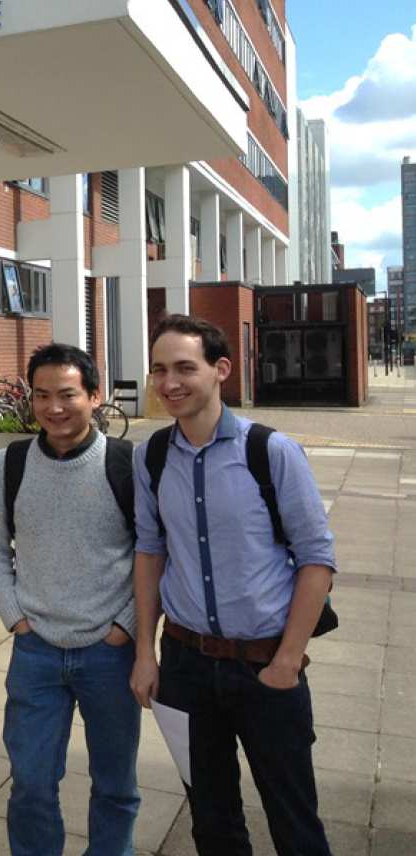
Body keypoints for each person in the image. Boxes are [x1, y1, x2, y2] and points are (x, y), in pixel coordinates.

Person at [130, 314, 336, 856]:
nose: (169, 382)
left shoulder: (271, 451)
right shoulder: (149, 457)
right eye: (159, 370)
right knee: (212, 820)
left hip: (265, 666)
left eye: (184, 368)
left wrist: (288, 660)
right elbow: (150, 553)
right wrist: (145, 654)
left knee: (294, 818)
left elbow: (317, 560)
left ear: (220, 370)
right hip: (186, 664)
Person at [0, 343, 140, 856]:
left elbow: (156, 553)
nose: (54, 407)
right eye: (42, 396)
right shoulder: (13, 463)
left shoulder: (126, 463)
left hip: (110, 652)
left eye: (68, 395)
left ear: (94, 396)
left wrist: (126, 625)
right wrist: (15, 617)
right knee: (31, 782)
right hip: (36, 651)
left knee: (115, 785)